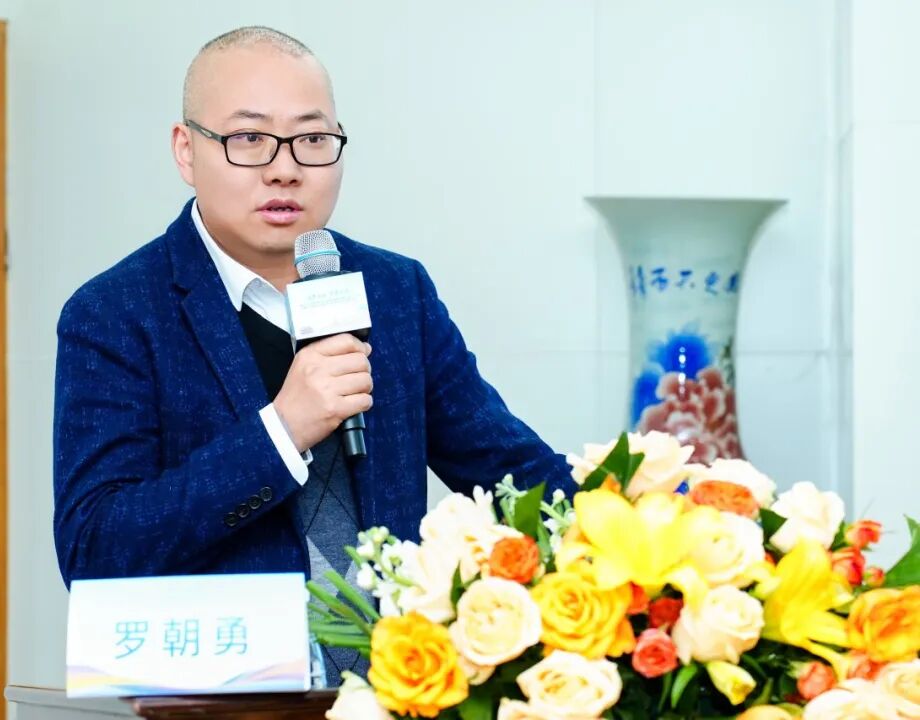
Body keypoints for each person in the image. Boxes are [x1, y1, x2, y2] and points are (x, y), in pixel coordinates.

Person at [53, 25, 577, 678]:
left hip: (395, 692)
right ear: (186, 150)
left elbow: (511, 473)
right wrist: (281, 432)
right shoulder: (115, 312)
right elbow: (95, 549)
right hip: (223, 697)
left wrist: (651, 521)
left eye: (312, 139)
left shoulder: (394, 290)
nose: (285, 168)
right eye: (249, 138)